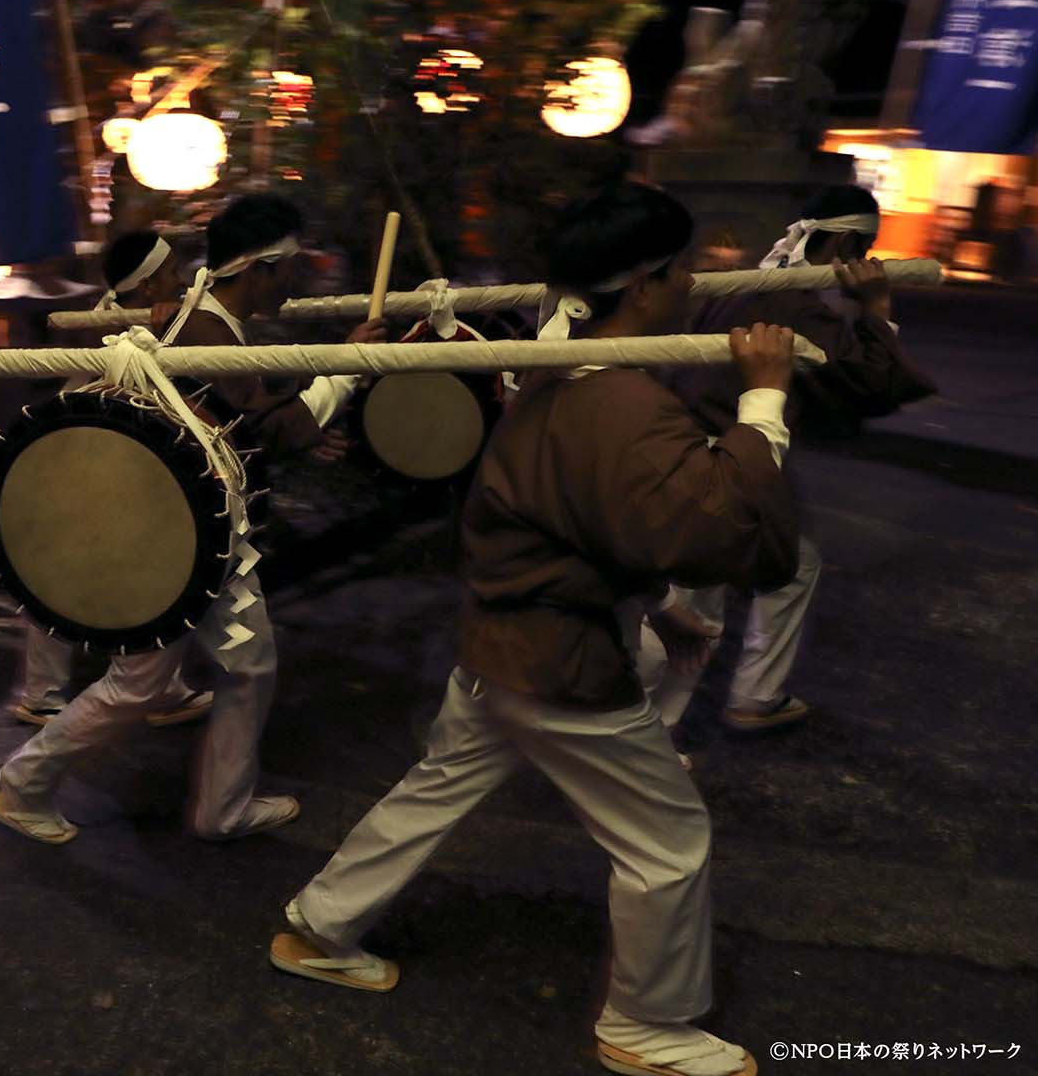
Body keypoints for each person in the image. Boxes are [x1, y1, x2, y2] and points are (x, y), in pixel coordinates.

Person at [269, 183, 798, 1076]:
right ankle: (647, 1024)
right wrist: (765, 403)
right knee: (669, 843)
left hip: (499, 641)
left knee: (436, 785)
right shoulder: (621, 401)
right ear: (646, 287)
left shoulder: (557, 370)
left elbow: (579, 515)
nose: (694, 286)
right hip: (558, 662)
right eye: (685, 270)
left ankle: (322, 926)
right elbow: (711, 527)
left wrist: (654, 604)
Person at [0, 194, 386, 844]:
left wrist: (305, 418)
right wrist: (346, 366)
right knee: (140, 685)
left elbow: (252, 424)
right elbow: (273, 427)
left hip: (199, 531)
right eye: (293, 265)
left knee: (247, 666)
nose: (300, 277)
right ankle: (22, 785)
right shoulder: (204, 331)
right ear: (262, 266)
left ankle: (222, 806)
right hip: (176, 536)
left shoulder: (207, 323)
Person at [657, 186, 937, 733]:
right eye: (865, 249)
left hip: (688, 448)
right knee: (698, 605)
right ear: (847, 246)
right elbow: (873, 382)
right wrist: (876, 308)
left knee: (792, 563)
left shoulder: (743, 290)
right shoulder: (794, 305)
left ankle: (754, 696)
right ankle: (652, 739)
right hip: (725, 463)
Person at [9, 229, 210, 729]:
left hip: (105, 467)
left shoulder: (147, 320)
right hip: (81, 466)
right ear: (145, 289)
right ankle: (51, 693)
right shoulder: (111, 328)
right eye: (170, 276)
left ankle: (152, 687)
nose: (181, 282)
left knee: (129, 573)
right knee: (65, 573)